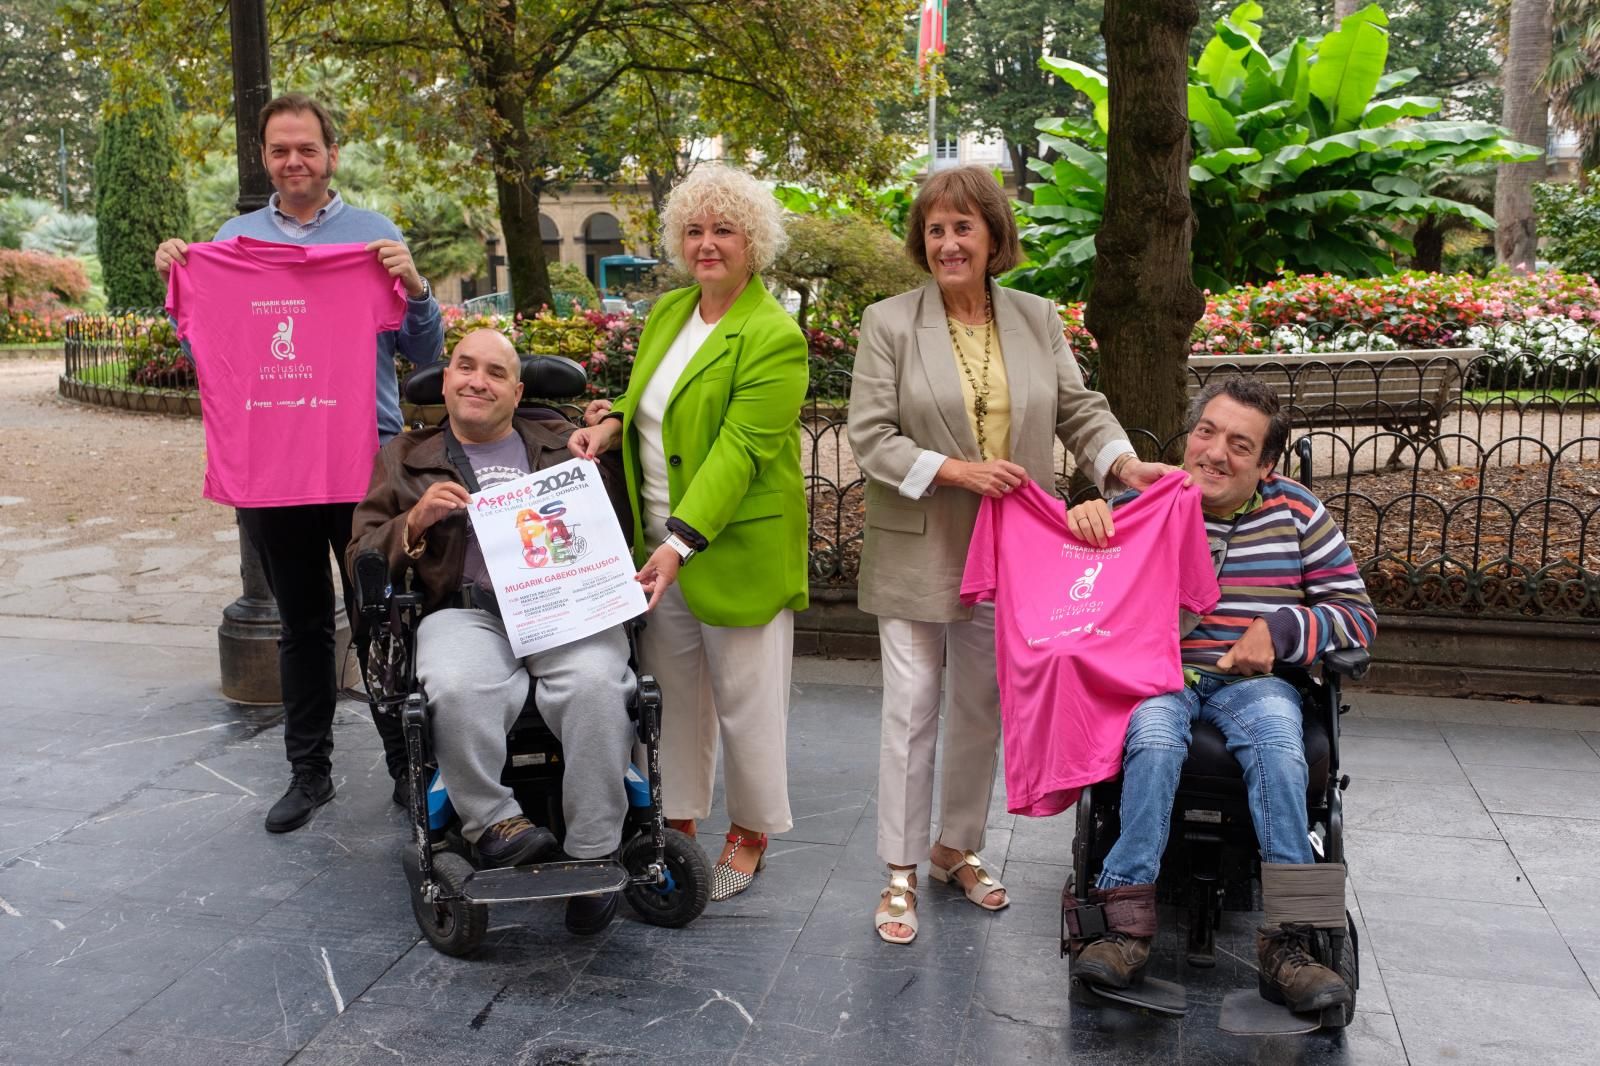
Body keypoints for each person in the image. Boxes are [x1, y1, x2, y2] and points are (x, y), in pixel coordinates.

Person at [847, 165, 1177, 945]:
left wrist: (1123, 467)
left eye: (963, 227)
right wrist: (956, 470)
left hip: (1017, 553)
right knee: (909, 712)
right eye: (935, 229)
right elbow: (870, 436)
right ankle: (897, 870)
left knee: (982, 707)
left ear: (994, 236)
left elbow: (1078, 409)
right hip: (919, 547)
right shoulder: (888, 321)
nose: (948, 243)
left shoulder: (1034, 317)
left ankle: (954, 846)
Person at [154, 93, 443, 833]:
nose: (294, 162)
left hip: (364, 464)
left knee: (381, 619)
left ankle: (405, 769)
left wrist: (415, 288)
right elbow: (212, 353)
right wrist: (181, 285)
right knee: (302, 623)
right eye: (280, 150)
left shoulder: (372, 237)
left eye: (306, 149)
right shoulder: (233, 239)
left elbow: (425, 354)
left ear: (331, 154)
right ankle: (308, 773)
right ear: (264, 158)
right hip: (274, 464)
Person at [1063, 376, 1377, 1013]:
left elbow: (1356, 614)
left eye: (1239, 444)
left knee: (1282, 750)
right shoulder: (1144, 504)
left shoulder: (1297, 513)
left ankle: (1292, 941)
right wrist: (1080, 525)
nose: (1214, 452)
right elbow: (1072, 593)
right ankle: (1124, 925)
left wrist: (1280, 628)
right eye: (1206, 432)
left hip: (1255, 685)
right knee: (1150, 739)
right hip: (1160, 675)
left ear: (1266, 466)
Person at [568, 163, 807, 902]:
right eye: (695, 230)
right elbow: (648, 397)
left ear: (754, 242)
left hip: (728, 544)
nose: (707, 244)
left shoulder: (773, 337)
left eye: (724, 230)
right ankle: (680, 825)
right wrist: (610, 423)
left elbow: (738, 452)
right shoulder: (671, 312)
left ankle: (753, 831)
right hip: (657, 547)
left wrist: (679, 542)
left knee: (747, 701)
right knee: (672, 695)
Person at [348, 328, 636, 935]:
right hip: (465, 608)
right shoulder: (403, 457)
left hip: (562, 606)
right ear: (446, 380)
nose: (477, 380)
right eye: (464, 367)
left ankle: (593, 849)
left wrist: (605, 443)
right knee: (454, 684)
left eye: (495, 372)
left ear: (518, 390)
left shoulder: (565, 443)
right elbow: (360, 555)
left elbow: (616, 523)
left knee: (597, 685)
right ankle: (494, 823)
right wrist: (414, 519)